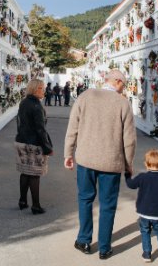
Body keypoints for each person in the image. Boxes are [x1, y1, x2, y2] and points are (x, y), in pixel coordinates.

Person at [64, 69, 136, 260]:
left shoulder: (85, 96)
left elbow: (73, 127)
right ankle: (104, 248)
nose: (124, 88)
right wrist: (129, 164)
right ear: (118, 82)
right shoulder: (123, 103)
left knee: (85, 199)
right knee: (108, 205)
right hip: (111, 163)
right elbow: (129, 139)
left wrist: (68, 153)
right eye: (124, 84)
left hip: (86, 160)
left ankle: (84, 240)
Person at [125, 149, 158, 265]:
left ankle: (147, 253)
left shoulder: (143, 177)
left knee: (145, 231)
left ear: (146, 164)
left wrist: (127, 175)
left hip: (144, 213)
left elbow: (131, 184)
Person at [15, 79, 53, 215]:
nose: (44, 91)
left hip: (21, 141)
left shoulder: (23, 102)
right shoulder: (36, 106)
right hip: (34, 144)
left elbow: (20, 122)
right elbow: (40, 129)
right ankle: (36, 206)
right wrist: (48, 147)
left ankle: (22, 201)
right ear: (35, 89)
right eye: (41, 88)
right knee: (35, 174)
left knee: (25, 172)